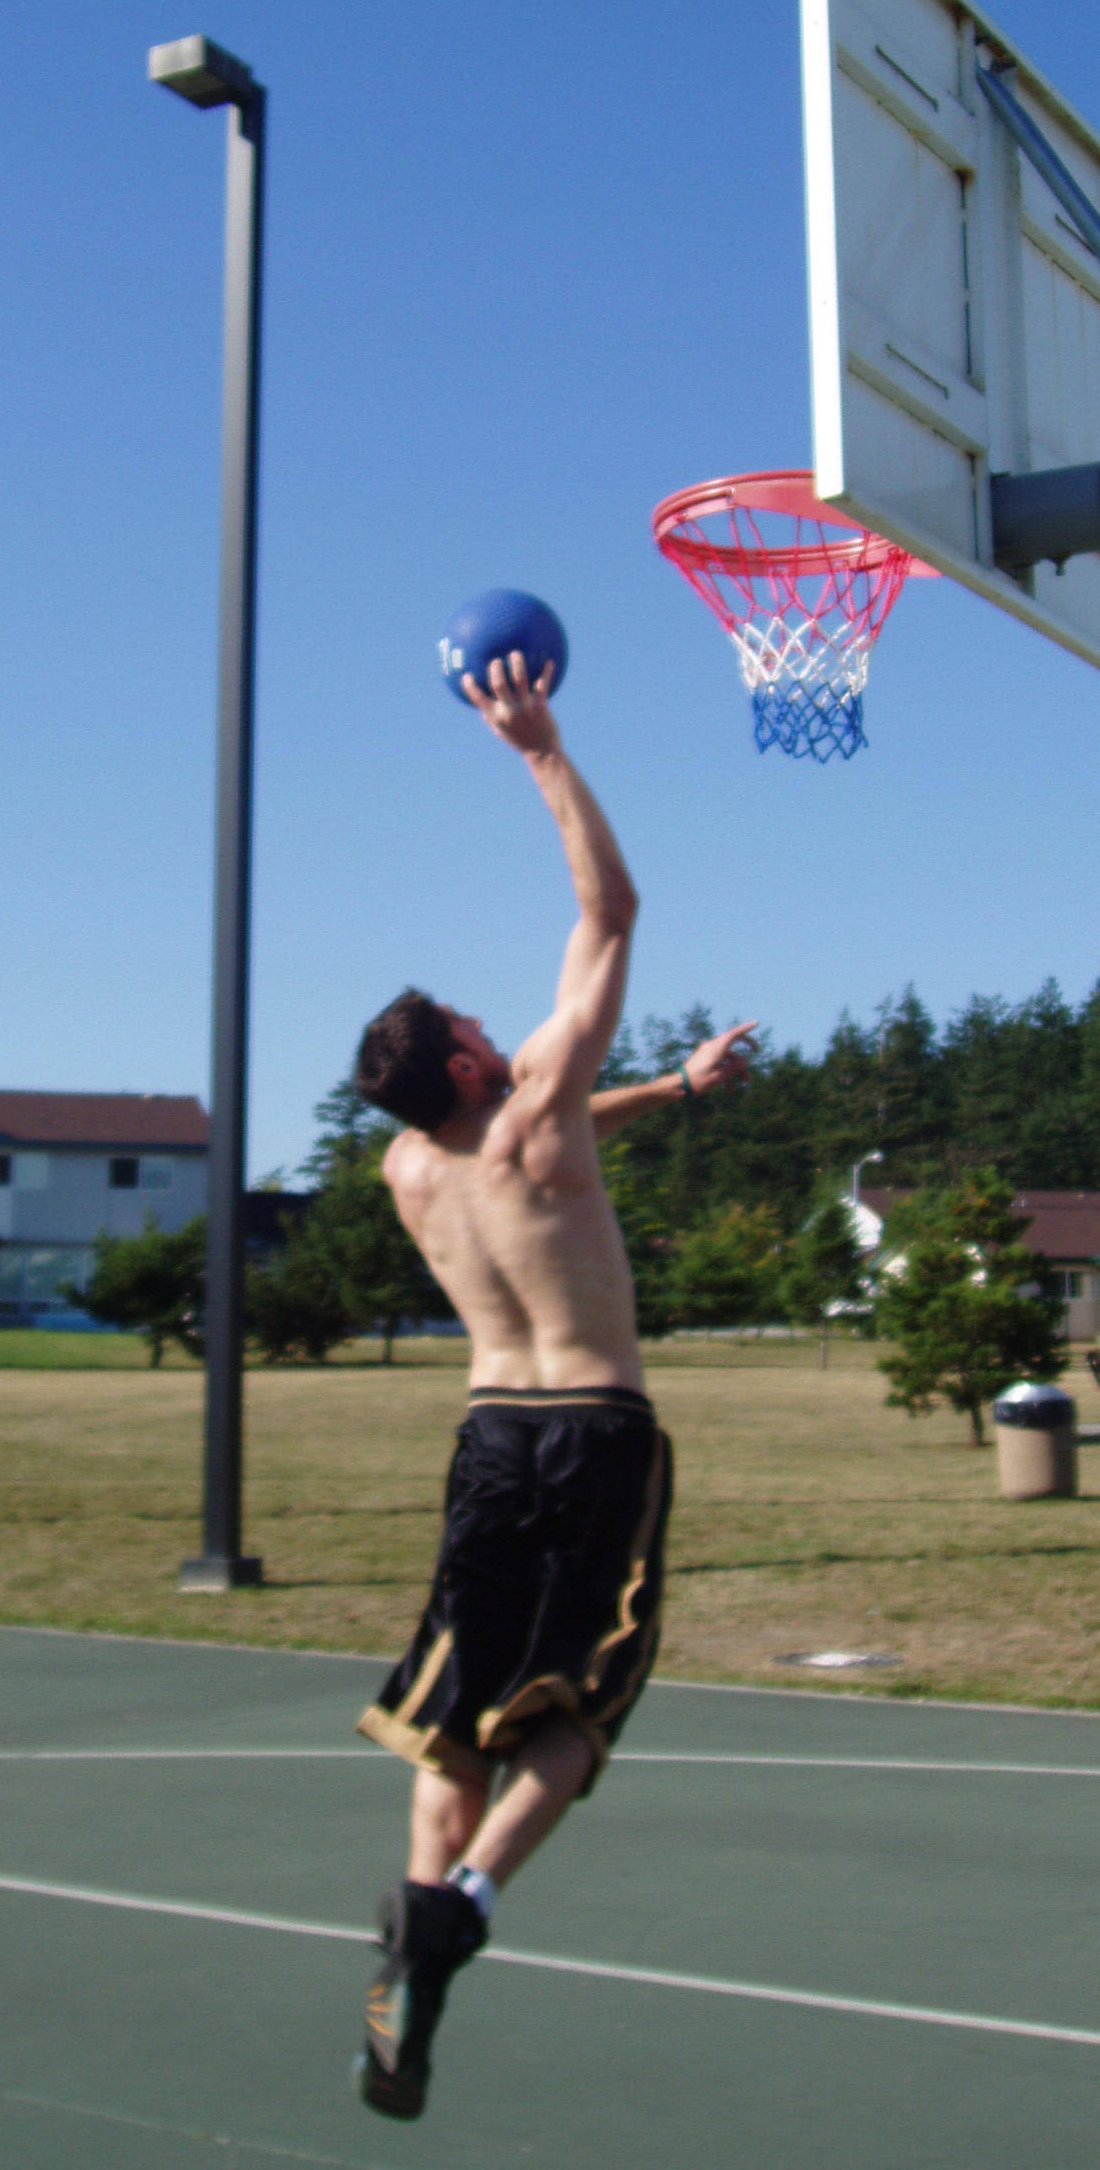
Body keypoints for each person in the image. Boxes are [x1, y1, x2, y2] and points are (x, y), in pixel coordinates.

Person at [348, 647, 754, 2120]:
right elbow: (611, 912)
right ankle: (463, 1901)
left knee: (454, 1712)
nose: (485, 1022)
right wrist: (538, 751)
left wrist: (676, 1091)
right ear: (471, 1059)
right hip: (593, 1430)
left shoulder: (408, 1167)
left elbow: (569, 1121)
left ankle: (411, 1933)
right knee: (584, 1702)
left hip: (484, 1436)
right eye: (470, 1024)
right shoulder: (525, 1099)